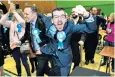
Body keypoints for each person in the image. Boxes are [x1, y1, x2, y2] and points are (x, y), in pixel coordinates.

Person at [27, 5, 96, 76]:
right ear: (52, 20)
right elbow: (39, 15)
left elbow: (91, 29)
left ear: (66, 18)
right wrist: (41, 49)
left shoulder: (70, 27)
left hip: (64, 60)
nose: (59, 20)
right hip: (53, 59)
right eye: (56, 17)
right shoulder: (47, 22)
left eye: (62, 16)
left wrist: (86, 15)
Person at [0, 3, 31, 76]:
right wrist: (8, 13)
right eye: (14, 14)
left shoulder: (24, 23)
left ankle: (29, 74)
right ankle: (19, 74)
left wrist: (14, 12)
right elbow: (1, 21)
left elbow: (21, 21)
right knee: (17, 62)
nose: (14, 15)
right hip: (14, 46)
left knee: (25, 62)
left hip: (22, 45)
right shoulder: (11, 23)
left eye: (16, 14)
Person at [22, 5, 52, 76]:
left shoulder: (43, 22)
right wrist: (19, 42)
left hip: (43, 51)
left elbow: (51, 37)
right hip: (37, 51)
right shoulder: (28, 23)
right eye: (24, 14)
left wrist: (44, 46)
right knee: (46, 70)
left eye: (27, 14)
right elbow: (26, 35)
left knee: (39, 73)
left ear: (34, 14)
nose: (25, 16)